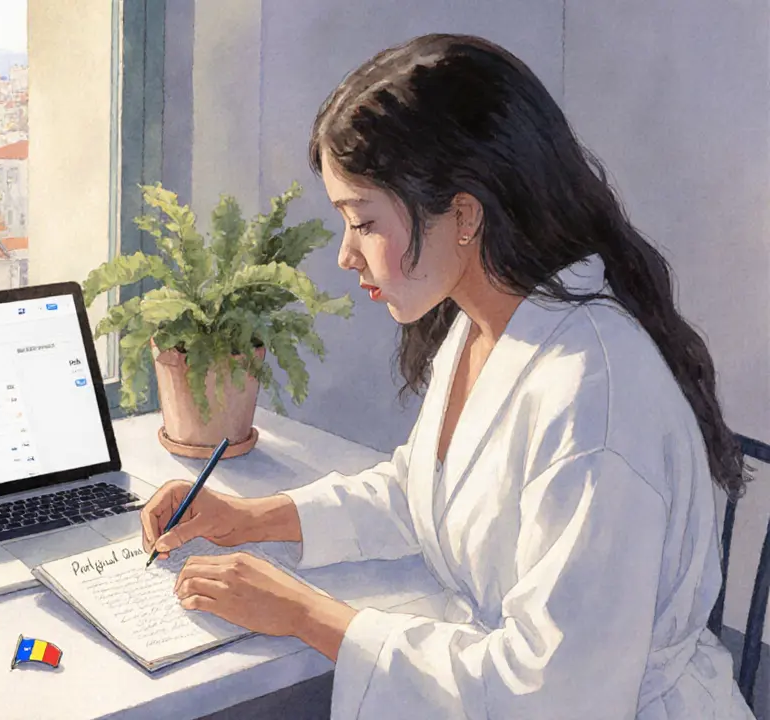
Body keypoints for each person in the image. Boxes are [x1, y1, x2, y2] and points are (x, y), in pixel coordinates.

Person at [140, 33, 755, 719]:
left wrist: (306, 614)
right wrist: (252, 518)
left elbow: (555, 693)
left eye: (363, 221)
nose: (346, 256)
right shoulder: (485, 325)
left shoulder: (595, 398)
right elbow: (425, 494)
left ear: (463, 215)